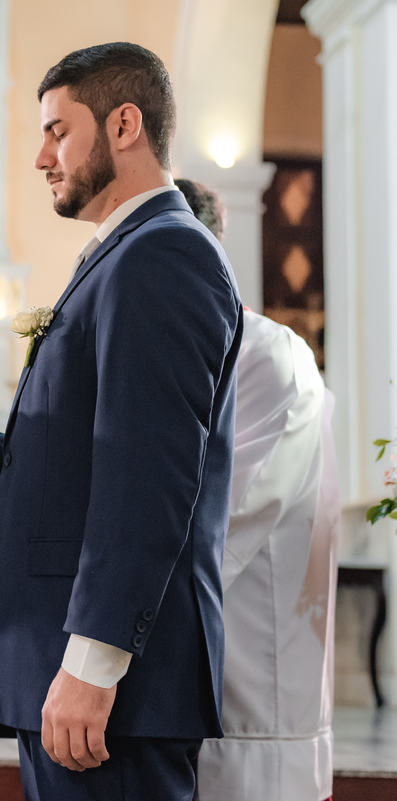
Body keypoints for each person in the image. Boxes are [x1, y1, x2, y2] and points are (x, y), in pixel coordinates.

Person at [0, 43, 242, 799]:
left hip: (109, 684)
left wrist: (93, 666)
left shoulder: (163, 255)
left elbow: (148, 479)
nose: (41, 157)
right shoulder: (122, 254)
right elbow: (62, 465)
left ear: (125, 124)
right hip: (67, 664)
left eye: (57, 131)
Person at [177, 178, 338, 801]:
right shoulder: (172, 351)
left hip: (254, 681)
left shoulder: (269, 355)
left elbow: (232, 517)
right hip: (187, 676)